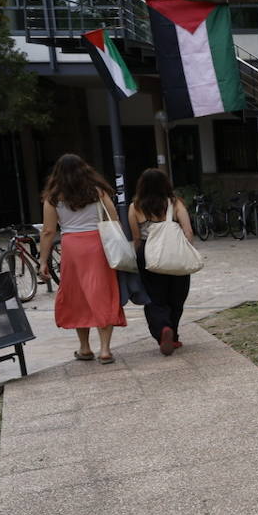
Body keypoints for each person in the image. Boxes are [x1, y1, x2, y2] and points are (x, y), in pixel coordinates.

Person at [38, 153, 126, 363]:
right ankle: (105, 350)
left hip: (72, 248)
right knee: (101, 292)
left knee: (77, 295)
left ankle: (85, 348)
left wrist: (43, 260)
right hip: (98, 245)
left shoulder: (52, 198)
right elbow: (113, 218)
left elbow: (49, 231)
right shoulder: (97, 192)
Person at [128, 168, 193, 356]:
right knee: (177, 296)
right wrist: (187, 248)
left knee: (154, 297)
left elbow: (136, 237)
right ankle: (173, 334)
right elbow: (188, 231)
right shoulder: (175, 203)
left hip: (149, 255)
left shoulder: (135, 207)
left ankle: (163, 329)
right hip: (175, 254)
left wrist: (138, 256)